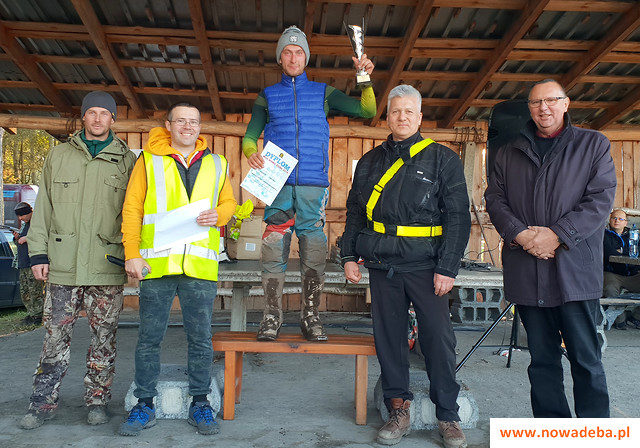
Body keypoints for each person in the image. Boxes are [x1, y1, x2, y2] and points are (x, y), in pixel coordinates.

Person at [341, 85, 470, 448]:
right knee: (390, 340)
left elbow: (458, 217)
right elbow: (355, 213)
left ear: (419, 117)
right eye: (395, 111)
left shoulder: (443, 159)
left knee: (438, 339)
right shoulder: (369, 162)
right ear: (387, 117)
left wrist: (448, 267)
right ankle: (398, 408)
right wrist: (348, 256)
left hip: (427, 265)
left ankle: (448, 415)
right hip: (382, 264)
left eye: (409, 111)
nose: (402, 117)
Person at [485, 79, 616, 418]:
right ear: (528, 109)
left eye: (551, 100)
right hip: (527, 270)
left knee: (586, 359)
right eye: (535, 102)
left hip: (574, 270)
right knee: (542, 361)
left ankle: (594, 434)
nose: (543, 108)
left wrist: (557, 235)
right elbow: (495, 199)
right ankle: (553, 432)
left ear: (566, 103)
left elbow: (600, 200)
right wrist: (521, 235)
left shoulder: (592, 144)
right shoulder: (508, 151)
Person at [242, 25, 376, 342]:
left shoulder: (323, 93)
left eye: (299, 52)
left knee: (314, 249)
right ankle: (271, 317)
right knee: (272, 249)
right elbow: (250, 136)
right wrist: (250, 152)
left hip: (313, 186)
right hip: (277, 184)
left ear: (306, 58)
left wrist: (364, 77)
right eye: (287, 52)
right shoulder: (267, 96)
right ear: (280, 58)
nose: (293, 58)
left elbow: (367, 109)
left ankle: (310, 317)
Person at [19, 91, 136, 429]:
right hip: (62, 263)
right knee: (54, 338)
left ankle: (98, 401)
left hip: (106, 263)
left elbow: (136, 212)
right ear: (83, 117)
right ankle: (41, 403)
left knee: (104, 339)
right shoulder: (59, 156)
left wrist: (135, 254)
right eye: (92, 112)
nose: (98, 119)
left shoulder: (128, 160)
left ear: (113, 119)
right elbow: (44, 208)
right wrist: (37, 253)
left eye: (104, 113)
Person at [119, 102, 237, 436]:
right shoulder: (148, 160)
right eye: (181, 121)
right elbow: (132, 208)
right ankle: (144, 404)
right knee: (149, 338)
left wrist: (221, 215)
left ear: (200, 127)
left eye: (193, 121)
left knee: (201, 338)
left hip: (199, 266)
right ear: (168, 125)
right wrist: (131, 253)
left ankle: (200, 402)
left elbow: (229, 202)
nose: (188, 126)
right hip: (156, 264)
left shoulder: (217, 162)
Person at [603, 209, 640, 329]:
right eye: (614, 218)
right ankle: (620, 320)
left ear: (625, 222)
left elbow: (637, 252)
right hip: (612, 273)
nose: (616, 221)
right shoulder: (603, 234)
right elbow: (608, 253)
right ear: (610, 220)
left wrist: (621, 251)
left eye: (620, 219)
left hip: (632, 274)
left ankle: (636, 317)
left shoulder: (633, 235)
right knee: (610, 289)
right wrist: (627, 253)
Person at [12, 202, 45, 326]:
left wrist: (26, 238)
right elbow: (20, 241)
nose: (20, 218)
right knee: (25, 291)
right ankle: (31, 313)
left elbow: (43, 237)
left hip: (33, 263)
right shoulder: (25, 225)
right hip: (23, 263)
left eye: (22, 215)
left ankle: (38, 316)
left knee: (35, 291)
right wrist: (17, 238)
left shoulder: (38, 223)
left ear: (29, 212)